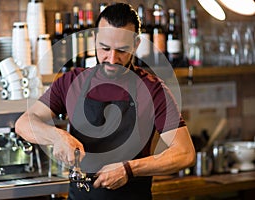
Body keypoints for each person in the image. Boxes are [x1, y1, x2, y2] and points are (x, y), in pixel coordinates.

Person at [15, 3, 195, 200]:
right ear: (95, 39)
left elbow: (185, 153)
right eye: (105, 48)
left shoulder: (153, 90)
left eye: (122, 50)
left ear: (136, 45)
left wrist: (129, 169)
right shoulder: (72, 82)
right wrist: (56, 136)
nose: (112, 59)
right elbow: (24, 123)